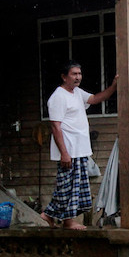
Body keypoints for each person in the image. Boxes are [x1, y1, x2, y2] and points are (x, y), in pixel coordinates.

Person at [40, 61, 118, 229]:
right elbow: (55, 126)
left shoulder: (77, 93)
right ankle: (58, 218)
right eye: (74, 74)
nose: (77, 77)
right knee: (66, 186)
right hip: (68, 150)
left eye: (79, 74)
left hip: (80, 150)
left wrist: (113, 87)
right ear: (64, 76)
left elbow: (96, 99)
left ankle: (52, 216)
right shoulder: (58, 96)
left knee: (75, 188)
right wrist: (64, 153)